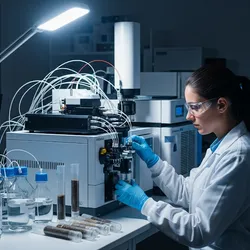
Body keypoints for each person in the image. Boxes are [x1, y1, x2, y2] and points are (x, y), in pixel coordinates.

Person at [115, 65, 250, 250]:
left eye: (195, 107)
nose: (188, 116)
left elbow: (199, 231)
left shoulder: (238, 155)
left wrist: (144, 203)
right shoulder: (220, 146)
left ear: (221, 105)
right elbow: (189, 194)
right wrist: (153, 162)